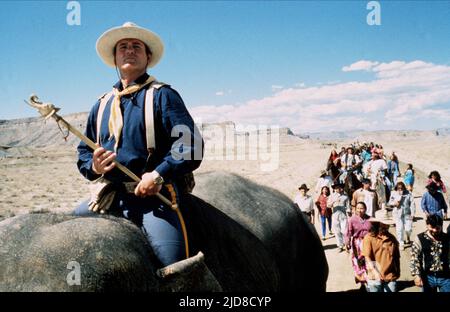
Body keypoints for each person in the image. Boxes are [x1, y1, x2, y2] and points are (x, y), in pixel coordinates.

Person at [75, 22, 204, 267]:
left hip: (155, 200)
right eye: (123, 46)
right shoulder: (101, 104)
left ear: (148, 57)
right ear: (115, 57)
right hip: (110, 197)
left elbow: (190, 145)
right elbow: (84, 151)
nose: (129, 50)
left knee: (172, 264)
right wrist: (95, 167)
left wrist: (158, 174)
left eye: (136, 46)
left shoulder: (163, 95)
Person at [362, 211, 400, 292]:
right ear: (377, 224)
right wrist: (375, 272)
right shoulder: (368, 238)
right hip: (374, 277)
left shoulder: (392, 238)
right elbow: (367, 257)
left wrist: (398, 272)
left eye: (387, 225)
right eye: (384, 224)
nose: (387, 226)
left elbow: (396, 256)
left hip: (390, 276)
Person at [410, 215, 450, 292]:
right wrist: (416, 275)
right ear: (427, 225)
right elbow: (414, 257)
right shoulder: (419, 238)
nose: (435, 230)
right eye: (432, 227)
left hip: (446, 278)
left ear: (441, 226)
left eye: (437, 228)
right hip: (428, 278)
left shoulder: (447, 238)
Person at [345, 202, 372, 285]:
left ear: (365, 209)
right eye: (358, 208)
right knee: (358, 262)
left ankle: (370, 280)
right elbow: (348, 232)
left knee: (369, 261)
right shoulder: (352, 220)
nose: (360, 210)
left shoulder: (370, 219)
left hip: (369, 242)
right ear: (355, 209)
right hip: (357, 244)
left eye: (362, 208)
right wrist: (347, 242)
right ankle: (362, 282)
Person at [388, 181, 415, 250]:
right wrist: (394, 203)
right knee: (399, 229)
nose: (400, 190)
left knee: (408, 229)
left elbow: (412, 204)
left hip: (407, 214)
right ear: (396, 188)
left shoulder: (408, 194)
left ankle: (408, 236)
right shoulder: (393, 194)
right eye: (398, 188)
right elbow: (389, 202)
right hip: (397, 214)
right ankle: (401, 243)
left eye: (401, 188)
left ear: (404, 188)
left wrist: (412, 214)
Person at [327, 183, 351, 252]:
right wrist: (332, 202)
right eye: (337, 188)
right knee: (337, 231)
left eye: (340, 188)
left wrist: (349, 211)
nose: (338, 189)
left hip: (343, 215)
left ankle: (346, 244)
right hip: (335, 215)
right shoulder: (332, 196)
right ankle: (340, 246)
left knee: (344, 231)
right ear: (335, 189)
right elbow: (328, 205)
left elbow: (348, 206)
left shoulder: (345, 196)